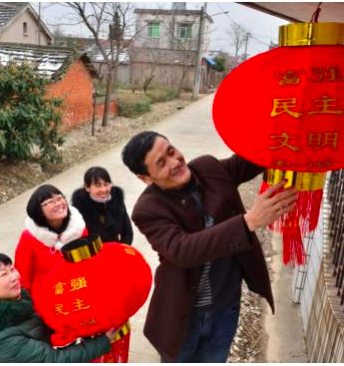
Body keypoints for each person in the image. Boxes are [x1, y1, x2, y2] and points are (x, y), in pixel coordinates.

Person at [121, 131, 297, 362]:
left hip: (225, 307)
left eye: (171, 151)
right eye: (161, 163)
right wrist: (249, 222)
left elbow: (253, 159)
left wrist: (287, 132)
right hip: (183, 315)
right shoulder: (148, 210)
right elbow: (183, 250)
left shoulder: (208, 168)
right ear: (145, 177)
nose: (175, 163)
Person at [0, 253, 117, 363]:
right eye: (4, 274)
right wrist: (103, 342)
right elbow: (55, 360)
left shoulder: (13, 303)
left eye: (12, 269)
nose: (14, 277)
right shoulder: (1, 340)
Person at [15, 184, 87, 299]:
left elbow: (89, 264)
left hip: (79, 294)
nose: (58, 204)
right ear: (39, 211)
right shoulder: (29, 238)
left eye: (59, 198)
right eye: (51, 202)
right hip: (47, 300)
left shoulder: (79, 229)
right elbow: (23, 279)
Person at [71, 166, 133, 245]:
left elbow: (127, 232)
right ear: (87, 187)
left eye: (106, 184)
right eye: (98, 186)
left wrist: (121, 251)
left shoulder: (117, 200)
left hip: (118, 249)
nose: (103, 190)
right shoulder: (79, 209)